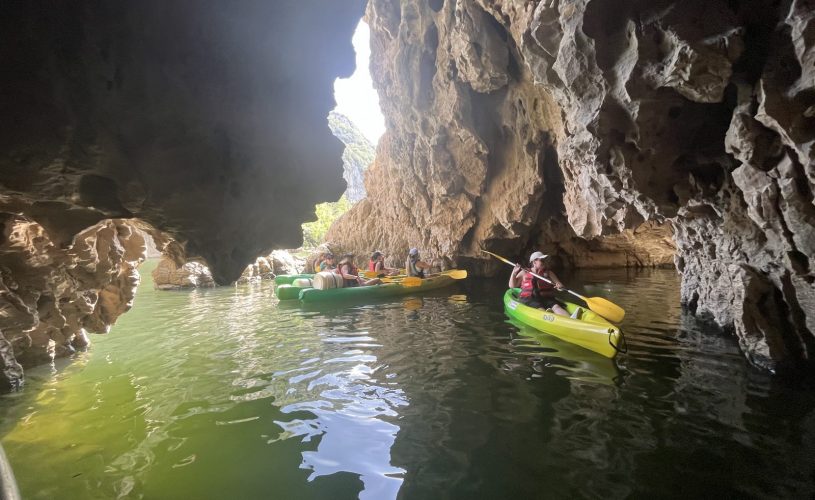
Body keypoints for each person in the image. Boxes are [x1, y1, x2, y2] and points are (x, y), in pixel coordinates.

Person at [509, 251, 579, 318]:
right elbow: (512, 286)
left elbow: (559, 285)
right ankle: (548, 315)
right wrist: (514, 273)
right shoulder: (524, 272)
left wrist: (559, 286)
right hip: (529, 298)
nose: (544, 262)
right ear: (534, 262)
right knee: (540, 308)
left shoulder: (549, 273)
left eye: (544, 260)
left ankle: (571, 319)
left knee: (556, 306)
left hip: (545, 298)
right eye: (541, 260)